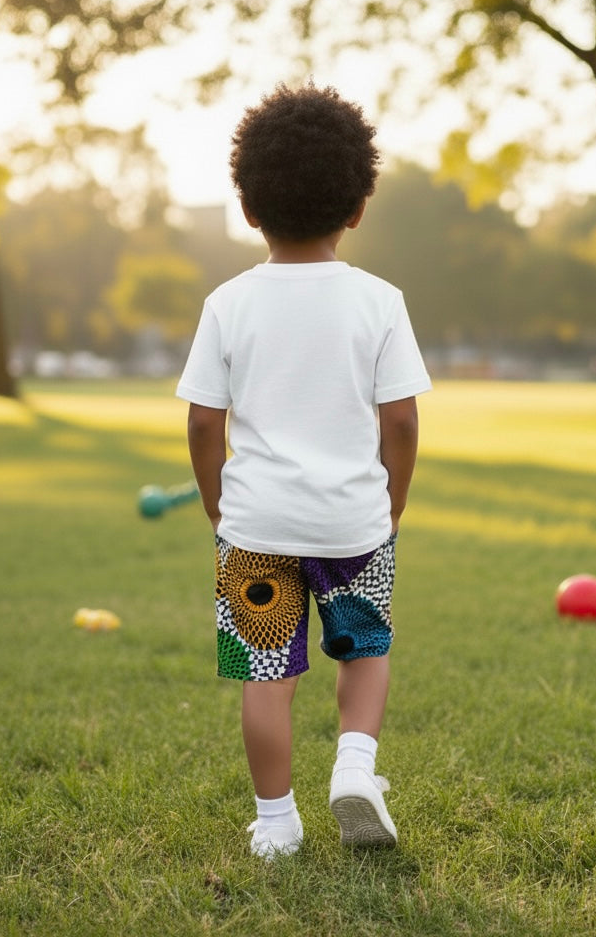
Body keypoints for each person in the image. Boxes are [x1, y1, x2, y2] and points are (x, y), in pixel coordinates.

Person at [176, 82, 431, 859]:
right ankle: (354, 767)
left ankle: (276, 822)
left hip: (253, 530)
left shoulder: (227, 303)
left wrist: (220, 509)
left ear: (248, 206)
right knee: (365, 650)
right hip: (354, 522)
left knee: (265, 675)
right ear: (358, 205)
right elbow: (401, 420)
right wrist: (391, 506)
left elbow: (200, 420)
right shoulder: (379, 302)